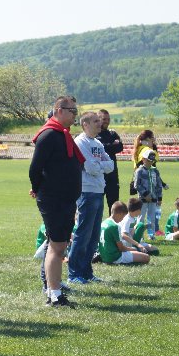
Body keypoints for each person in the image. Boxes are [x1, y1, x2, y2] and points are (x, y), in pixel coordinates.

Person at [29, 96, 84, 307]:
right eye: (72, 111)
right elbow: (35, 168)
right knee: (57, 246)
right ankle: (54, 294)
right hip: (54, 199)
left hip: (65, 199)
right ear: (59, 110)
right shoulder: (49, 135)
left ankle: (55, 290)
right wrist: (38, 188)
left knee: (60, 245)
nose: (75, 115)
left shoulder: (62, 134)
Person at [68, 112, 114, 284]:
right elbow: (90, 168)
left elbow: (111, 165)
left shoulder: (98, 143)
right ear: (85, 124)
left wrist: (100, 166)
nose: (99, 123)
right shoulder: (81, 142)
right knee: (83, 234)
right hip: (86, 191)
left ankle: (86, 271)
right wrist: (101, 166)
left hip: (98, 190)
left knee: (94, 235)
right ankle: (74, 273)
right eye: (95, 121)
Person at [133, 149, 167, 240]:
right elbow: (136, 185)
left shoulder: (155, 171)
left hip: (154, 198)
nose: (150, 162)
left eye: (152, 161)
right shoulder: (139, 171)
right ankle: (139, 236)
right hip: (143, 199)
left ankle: (151, 235)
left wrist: (159, 198)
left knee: (152, 218)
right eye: (148, 160)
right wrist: (145, 194)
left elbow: (159, 185)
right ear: (143, 159)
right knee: (140, 218)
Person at [96, 109, 123, 214]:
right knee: (97, 205)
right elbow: (100, 148)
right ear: (98, 119)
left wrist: (106, 146)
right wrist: (111, 145)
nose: (107, 121)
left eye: (108, 119)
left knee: (114, 205)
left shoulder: (112, 133)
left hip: (112, 175)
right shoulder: (95, 135)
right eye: (104, 119)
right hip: (99, 175)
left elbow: (120, 147)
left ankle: (113, 224)